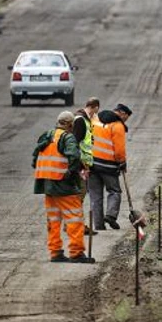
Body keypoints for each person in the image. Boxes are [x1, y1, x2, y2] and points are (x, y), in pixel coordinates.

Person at [33, 111, 94, 263]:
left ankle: (55, 253)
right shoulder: (67, 137)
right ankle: (76, 253)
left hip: (47, 185)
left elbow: (35, 157)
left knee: (53, 220)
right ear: (69, 125)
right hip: (63, 186)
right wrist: (72, 172)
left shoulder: (47, 135)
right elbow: (74, 156)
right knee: (74, 218)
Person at [89, 103, 132, 230]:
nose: (125, 120)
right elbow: (119, 149)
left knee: (95, 195)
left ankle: (98, 225)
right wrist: (122, 162)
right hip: (108, 165)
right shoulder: (117, 126)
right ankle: (111, 215)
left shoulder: (95, 120)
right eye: (126, 117)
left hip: (92, 163)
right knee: (114, 191)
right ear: (122, 113)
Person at [72, 97, 100, 236]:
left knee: (80, 195)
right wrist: (81, 165)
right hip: (80, 166)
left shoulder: (84, 120)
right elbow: (76, 144)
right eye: (96, 110)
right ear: (95, 107)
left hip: (83, 165)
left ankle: (74, 224)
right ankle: (76, 225)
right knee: (79, 195)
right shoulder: (80, 120)